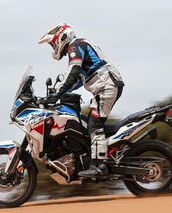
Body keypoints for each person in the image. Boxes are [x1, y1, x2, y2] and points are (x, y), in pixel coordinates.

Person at [38, 23, 124, 177]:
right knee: (87, 122)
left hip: (107, 86)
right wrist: (56, 94)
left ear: (61, 38)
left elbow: (73, 71)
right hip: (106, 86)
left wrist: (57, 94)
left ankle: (100, 166)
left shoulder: (75, 47)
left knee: (94, 124)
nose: (53, 47)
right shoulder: (79, 45)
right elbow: (76, 80)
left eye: (53, 44)